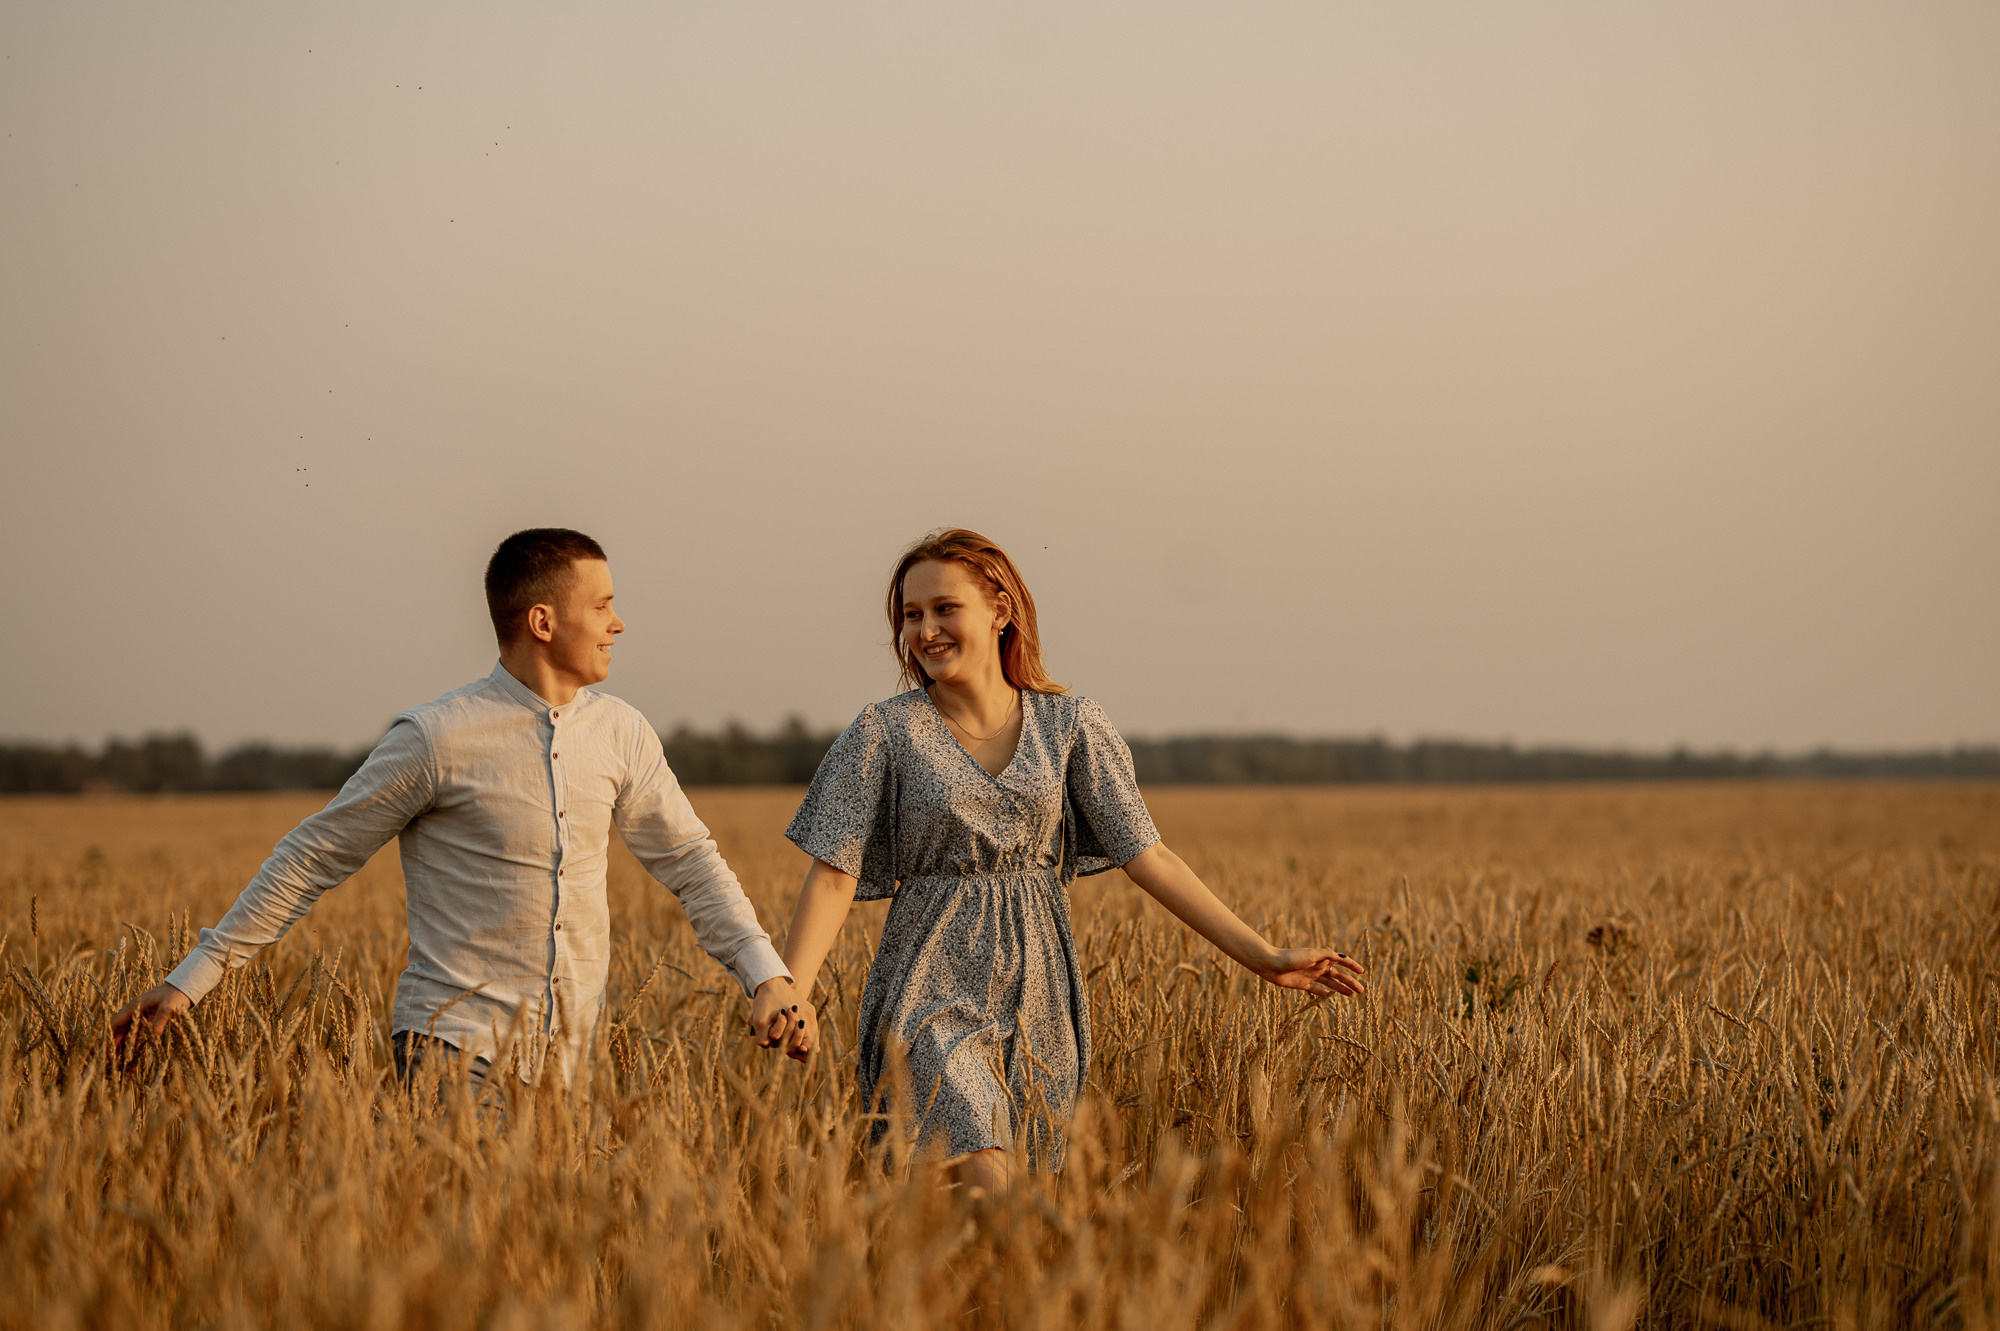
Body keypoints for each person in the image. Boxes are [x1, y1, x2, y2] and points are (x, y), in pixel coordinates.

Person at [775, 528, 1365, 1194]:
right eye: (911, 615)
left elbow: (1151, 856)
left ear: (1000, 608)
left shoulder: (1071, 725)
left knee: (1019, 1219)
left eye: (944, 608)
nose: (925, 629)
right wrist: (790, 990)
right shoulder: (885, 731)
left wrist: (1263, 953)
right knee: (989, 1177)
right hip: (928, 987)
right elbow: (833, 873)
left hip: (1040, 995)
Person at [111, 528, 810, 1082]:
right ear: (542, 619)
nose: (618, 622)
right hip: (453, 1050)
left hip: (572, 1068)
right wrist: (188, 981)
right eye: (601, 604)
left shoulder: (622, 731)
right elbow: (312, 858)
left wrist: (767, 975)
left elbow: (692, 862)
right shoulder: (436, 737)